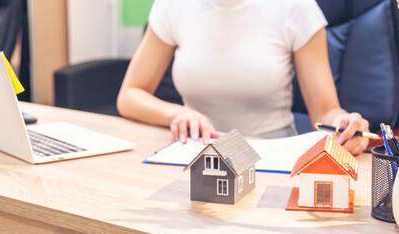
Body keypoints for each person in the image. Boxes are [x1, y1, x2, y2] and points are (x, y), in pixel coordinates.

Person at [116, 0, 370, 155]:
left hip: (271, 159)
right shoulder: (173, 5)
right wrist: (177, 114)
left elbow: (325, 112)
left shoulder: (295, 7)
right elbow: (130, 95)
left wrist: (344, 124)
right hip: (194, 155)